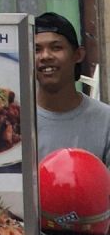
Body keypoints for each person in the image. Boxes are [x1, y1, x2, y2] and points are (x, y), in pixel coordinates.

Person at [35, 11, 110, 165]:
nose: (45, 56)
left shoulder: (105, 121)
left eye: (56, 48)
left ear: (78, 55)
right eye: (36, 50)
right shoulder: (15, 122)